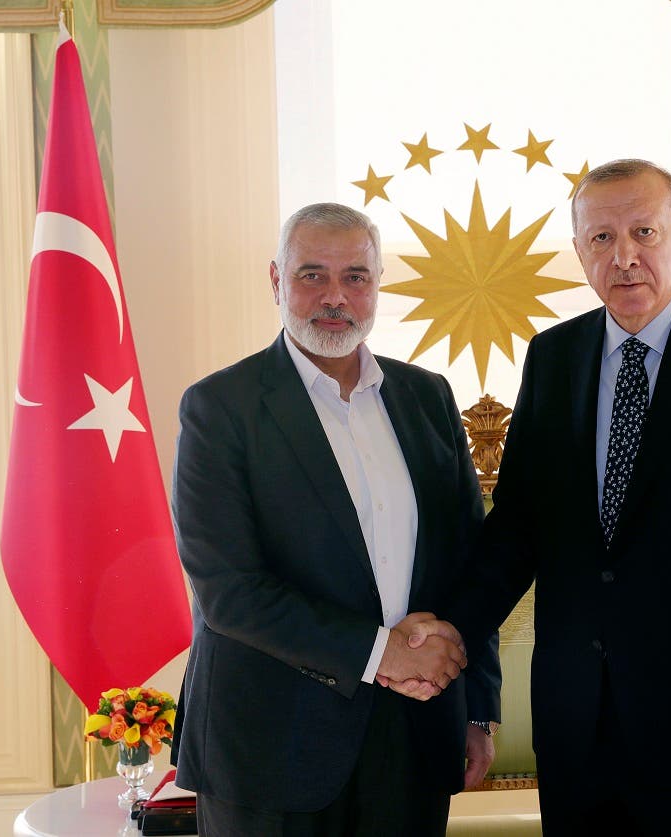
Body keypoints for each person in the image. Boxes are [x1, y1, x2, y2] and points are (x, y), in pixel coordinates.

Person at [397, 159, 671, 835]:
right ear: (578, 252)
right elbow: (517, 530)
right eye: (601, 239)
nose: (624, 257)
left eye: (644, 232)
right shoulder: (553, 358)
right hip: (580, 731)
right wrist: (450, 627)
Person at [169, 202, 501, 837]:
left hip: (416, 737)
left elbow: (468, 564)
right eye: (312, 275)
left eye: (356, 277)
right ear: (275, 280)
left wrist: (477, 709)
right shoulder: (220, 407)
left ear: (378, 285)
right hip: (270, 748)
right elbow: (227, 591)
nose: (335, 297)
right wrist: (381, 654)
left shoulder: (428, 397)